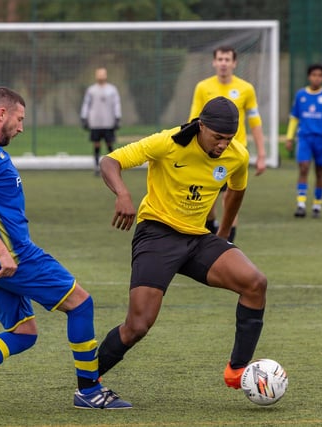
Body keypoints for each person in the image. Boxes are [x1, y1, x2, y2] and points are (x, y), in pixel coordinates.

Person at [0, 86, 131, 412]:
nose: (22, 127)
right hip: (12, 256)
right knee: (81, 304)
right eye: (19, 118)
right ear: (1, 113)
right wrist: (2, 251)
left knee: (24, 333)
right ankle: (89, 390)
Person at [96, 96, 268, 399]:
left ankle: (237, 370)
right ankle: (88, 380)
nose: (223, 145)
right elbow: (110, 161)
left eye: (228, 139)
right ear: (201, 126)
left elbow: (237, 191)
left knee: (255, 284)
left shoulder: (237, 155)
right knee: (138, 325)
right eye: (217, 137)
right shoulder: (168, 142)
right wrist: (122, 194)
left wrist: (224, 234)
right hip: (157, 234)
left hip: (198, 238)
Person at [189, 45, 266, 242]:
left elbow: (255, 121)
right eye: (220, 59)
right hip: (209, 153)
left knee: (231, 199)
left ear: (234, 63)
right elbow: (194, 119)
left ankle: (226, 243)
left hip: (235, 154)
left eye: (227, 59)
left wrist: (262, 154)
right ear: (214, 62)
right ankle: (211, 233)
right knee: (209, 202)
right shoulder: (203, 87)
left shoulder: (246, 89)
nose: (223, 63)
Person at [285, 64, 322, 218]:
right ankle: (301, 204)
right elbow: (294, 118)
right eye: (314, 75)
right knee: (303, 168)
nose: (317, 78)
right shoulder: (300, 95)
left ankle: (317, 205)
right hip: (304, 138)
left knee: (319, 171)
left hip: (321, 139)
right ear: (309, 76)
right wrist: (289, 137)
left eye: (320, 75)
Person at [80, 67, 122, 176]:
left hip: (108, 122)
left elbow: (116, 103)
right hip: (95, 123)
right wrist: (84, 117)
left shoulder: (112, 89)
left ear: (106, 75)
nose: (101, 76)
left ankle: (113, 167)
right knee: (96, 144)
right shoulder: (91, 90)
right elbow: (86, 104)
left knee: (109, 144)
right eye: (99, 74)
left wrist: (117, 117)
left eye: (102, 74)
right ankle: (96, 167)